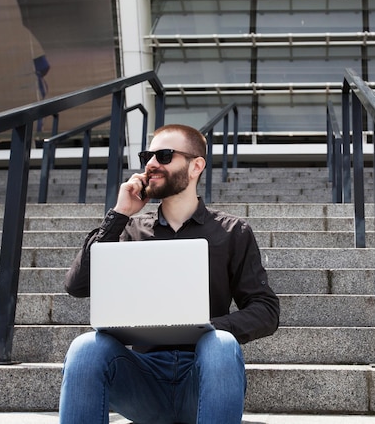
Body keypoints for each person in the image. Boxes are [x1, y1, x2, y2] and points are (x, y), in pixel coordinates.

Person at [59, 124, 280, 424]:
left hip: (202, 378)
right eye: (147, 155)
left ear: (196, 166)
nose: (151, 164)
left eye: (164, 155)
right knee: (85, 348)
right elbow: (77, 285)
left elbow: (265, 310)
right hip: (142, 382)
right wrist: (120, 213)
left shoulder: (232, 232)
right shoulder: (130, 230)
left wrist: (204, 328)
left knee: (222, 345)